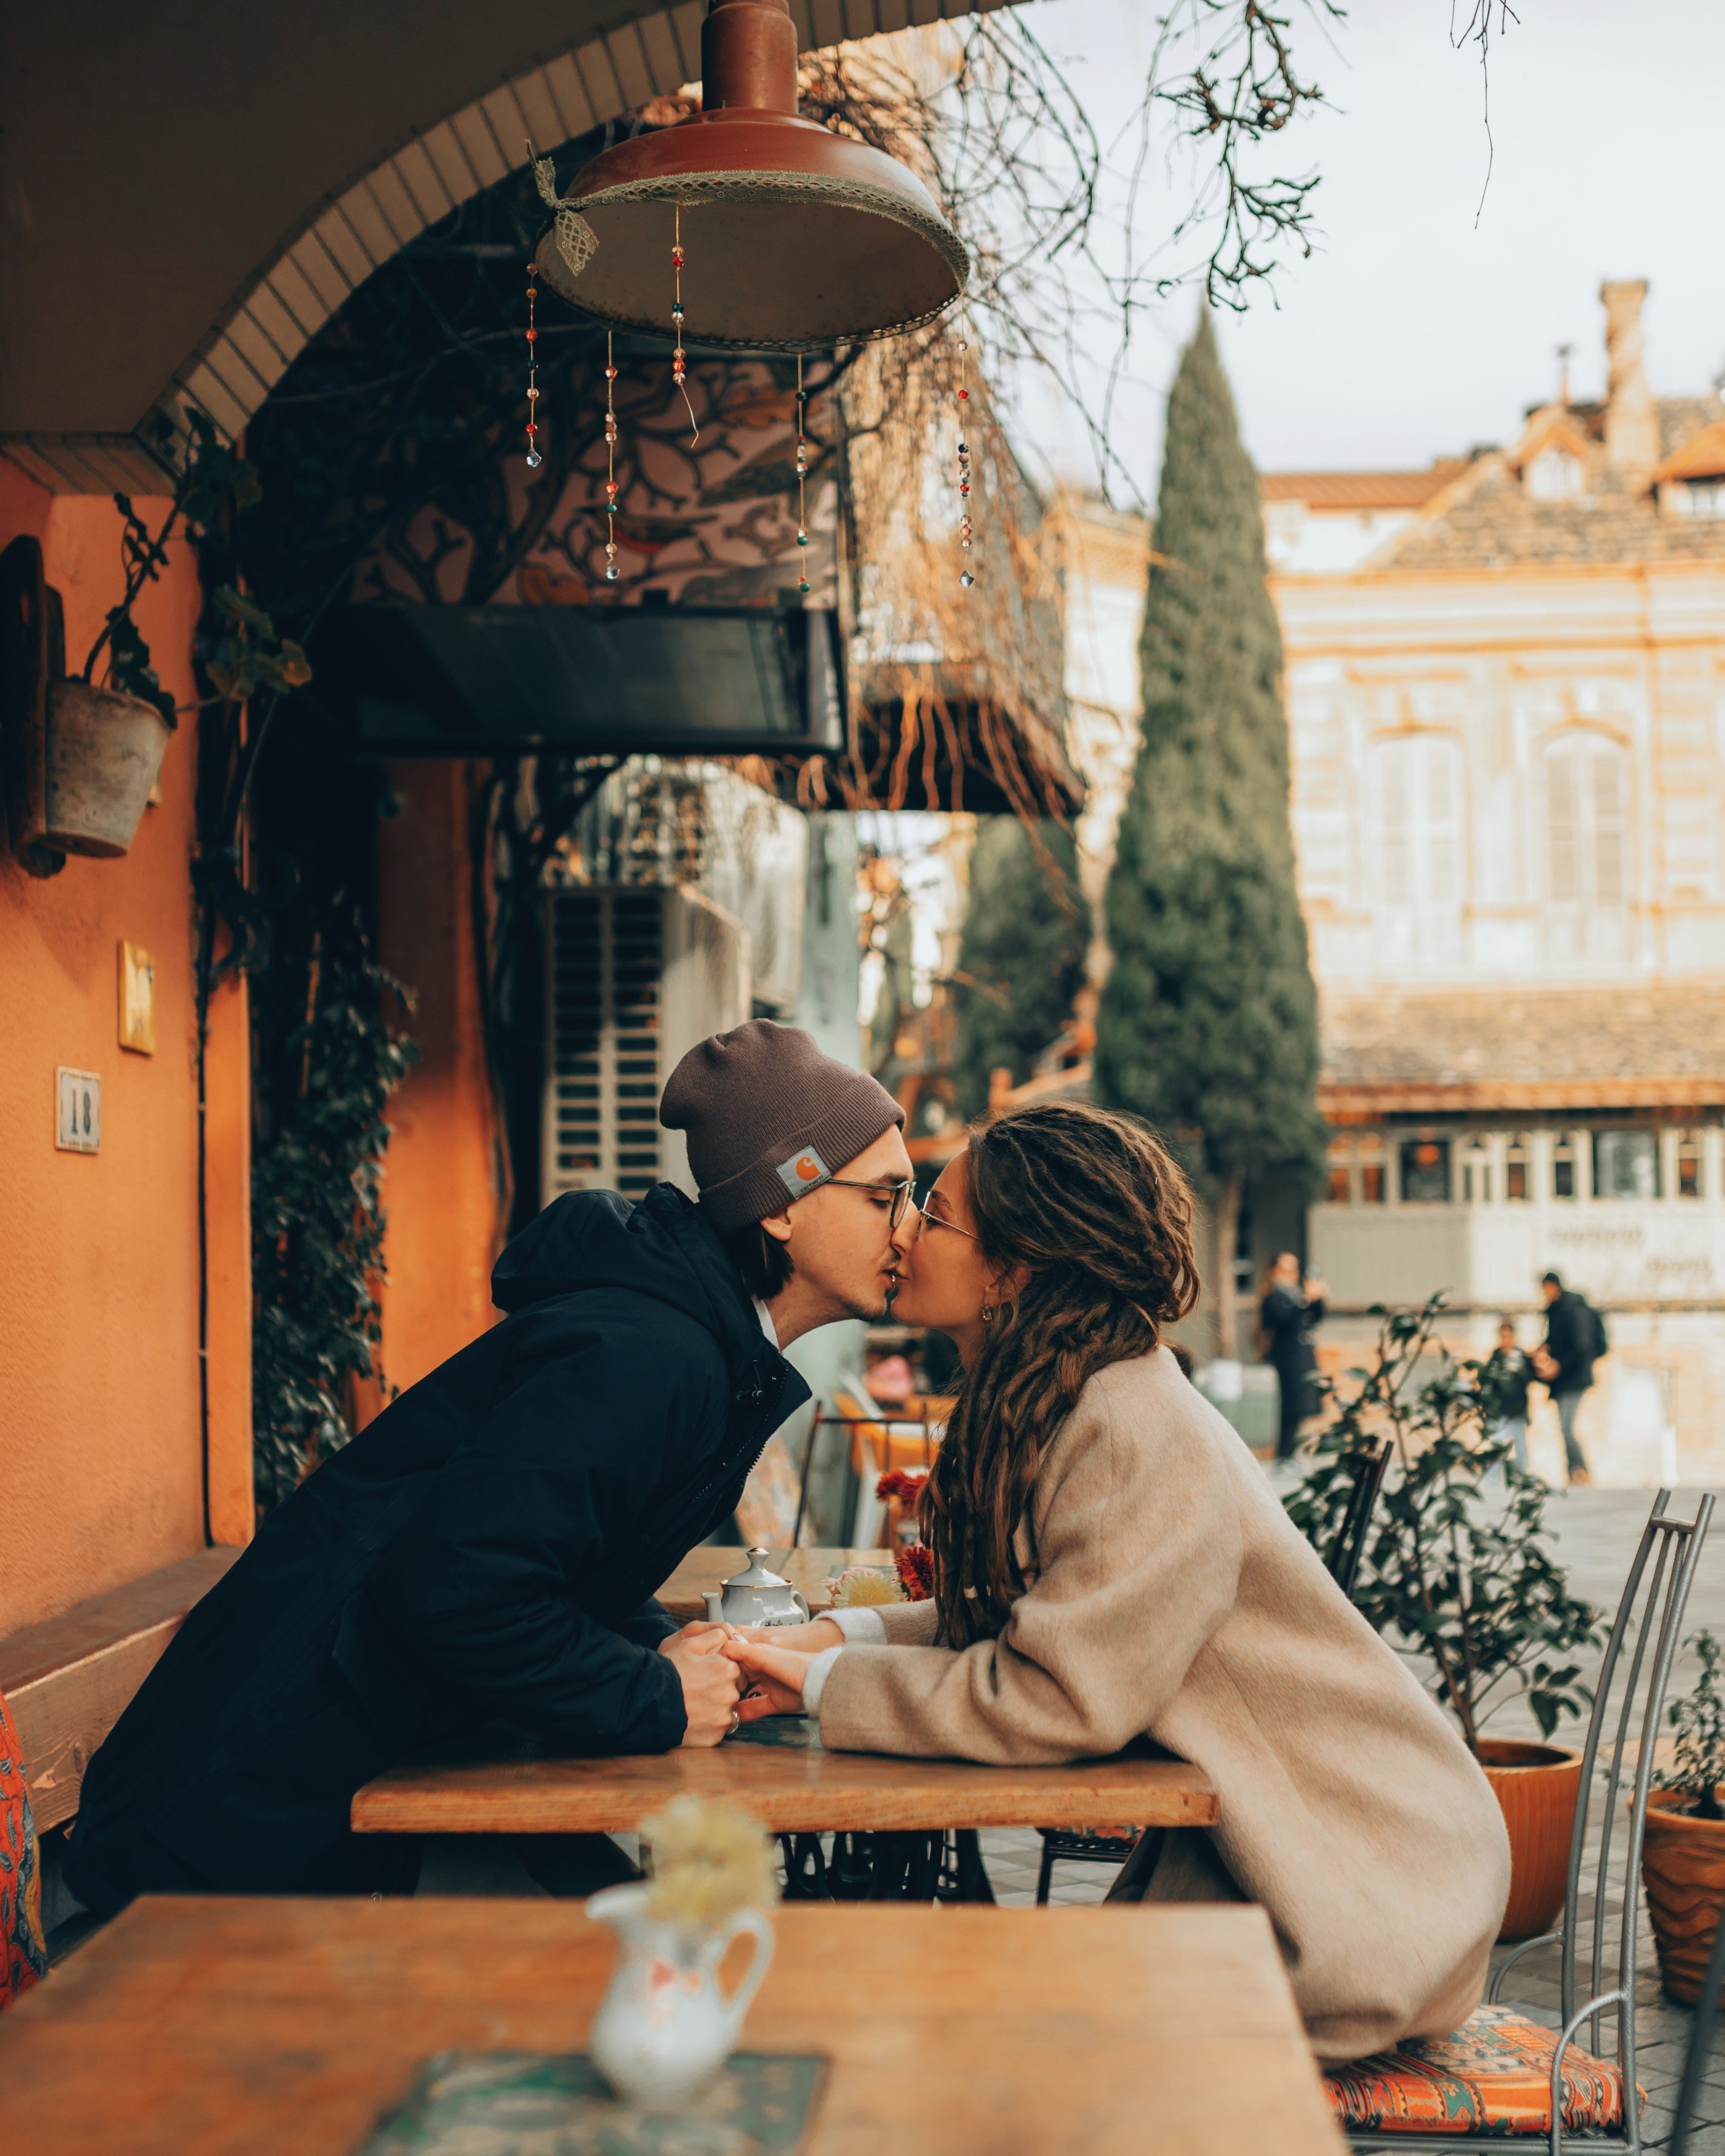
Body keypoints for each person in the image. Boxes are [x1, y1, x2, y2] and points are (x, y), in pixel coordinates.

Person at [64, 1021, 913, 1916]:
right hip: (238, 1817)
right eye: (886, 1195)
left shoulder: (695, 1342)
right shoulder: (652, 1353)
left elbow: (563, 1547)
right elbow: (454, 1586)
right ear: (784, 1202)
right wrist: (653, 1695)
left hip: (348, 1781)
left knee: (621, 1947)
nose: (909, 1227)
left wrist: (651, 1649)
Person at [724, 1101, 1509, 2061]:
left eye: (933, 1211)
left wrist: (815, 1683)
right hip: (1262, 1875)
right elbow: (1029, 1622)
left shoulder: (1131, 1427)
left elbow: (1054, 1696)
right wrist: (841, 1640)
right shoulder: (1064, 1395)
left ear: (1011, 1274)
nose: (905, 1226)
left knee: (976, 2039)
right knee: (954, 2015)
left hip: (1363, 1897)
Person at [1534, 1270, 1603, 1486]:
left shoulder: (1570, 1311)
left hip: (1573, 1379)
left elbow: (1580, 1347)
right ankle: (1574, 1470)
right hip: (1565, 1381)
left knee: (1566, 1426)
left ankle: (1579, 1469)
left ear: (1553, 1286)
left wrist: (1558, 1365)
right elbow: (1555, 1342)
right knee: (1564, 1427)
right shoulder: (1557, 1311)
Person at [1260, 1249, 1326, 1459]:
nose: (1290, 1275)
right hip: (1286, 1358)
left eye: (1294, 1269)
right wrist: (1305, 1300)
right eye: (1285, 1269)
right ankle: (1284, 1454)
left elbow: (1314, 1318)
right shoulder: (1272, 1297)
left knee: (1301, 1406)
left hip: (1302, 1356)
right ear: (1274, 1271)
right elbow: (1283, 1319)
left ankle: (1291, 1453)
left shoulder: (1297, 1296)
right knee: (1289, 1406)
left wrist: (1318, 1299)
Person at [1480, 1317, 1535, 1473]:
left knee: (1520, 1446)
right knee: (1497, 1444)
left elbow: (1530, 1378)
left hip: (1517, 1410)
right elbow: (1487, 1384)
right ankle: (1494, 1478)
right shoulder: (1495, 1358)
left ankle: (1521, 1476)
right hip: (1498, 1410)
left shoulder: (1522, 1357)